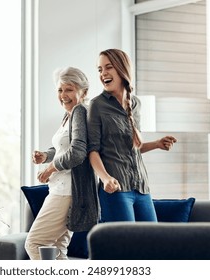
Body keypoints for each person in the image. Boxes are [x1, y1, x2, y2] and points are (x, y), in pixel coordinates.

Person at [87, 48, 177, 223]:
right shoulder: (96, 105)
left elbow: (133, 147)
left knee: (152, 241)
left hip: (142, 187)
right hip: (116, 189)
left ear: (122, 69)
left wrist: (157, 144)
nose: (103, 73)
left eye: (108, 67)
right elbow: (93, 151)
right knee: (125, 246)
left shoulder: (136, 104)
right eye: (100, 69)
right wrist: (105, 178)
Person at [25, 67, 99, 260]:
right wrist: (46, 155)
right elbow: (63, 148)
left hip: (67, 190)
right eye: (60, 90)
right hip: (63, 188)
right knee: (59, 250)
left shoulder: (80, 111)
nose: (63, 95)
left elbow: (77, 153)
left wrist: (50, 168)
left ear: (83, 92)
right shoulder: (69, 114)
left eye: (69, 89)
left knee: (34, 243)